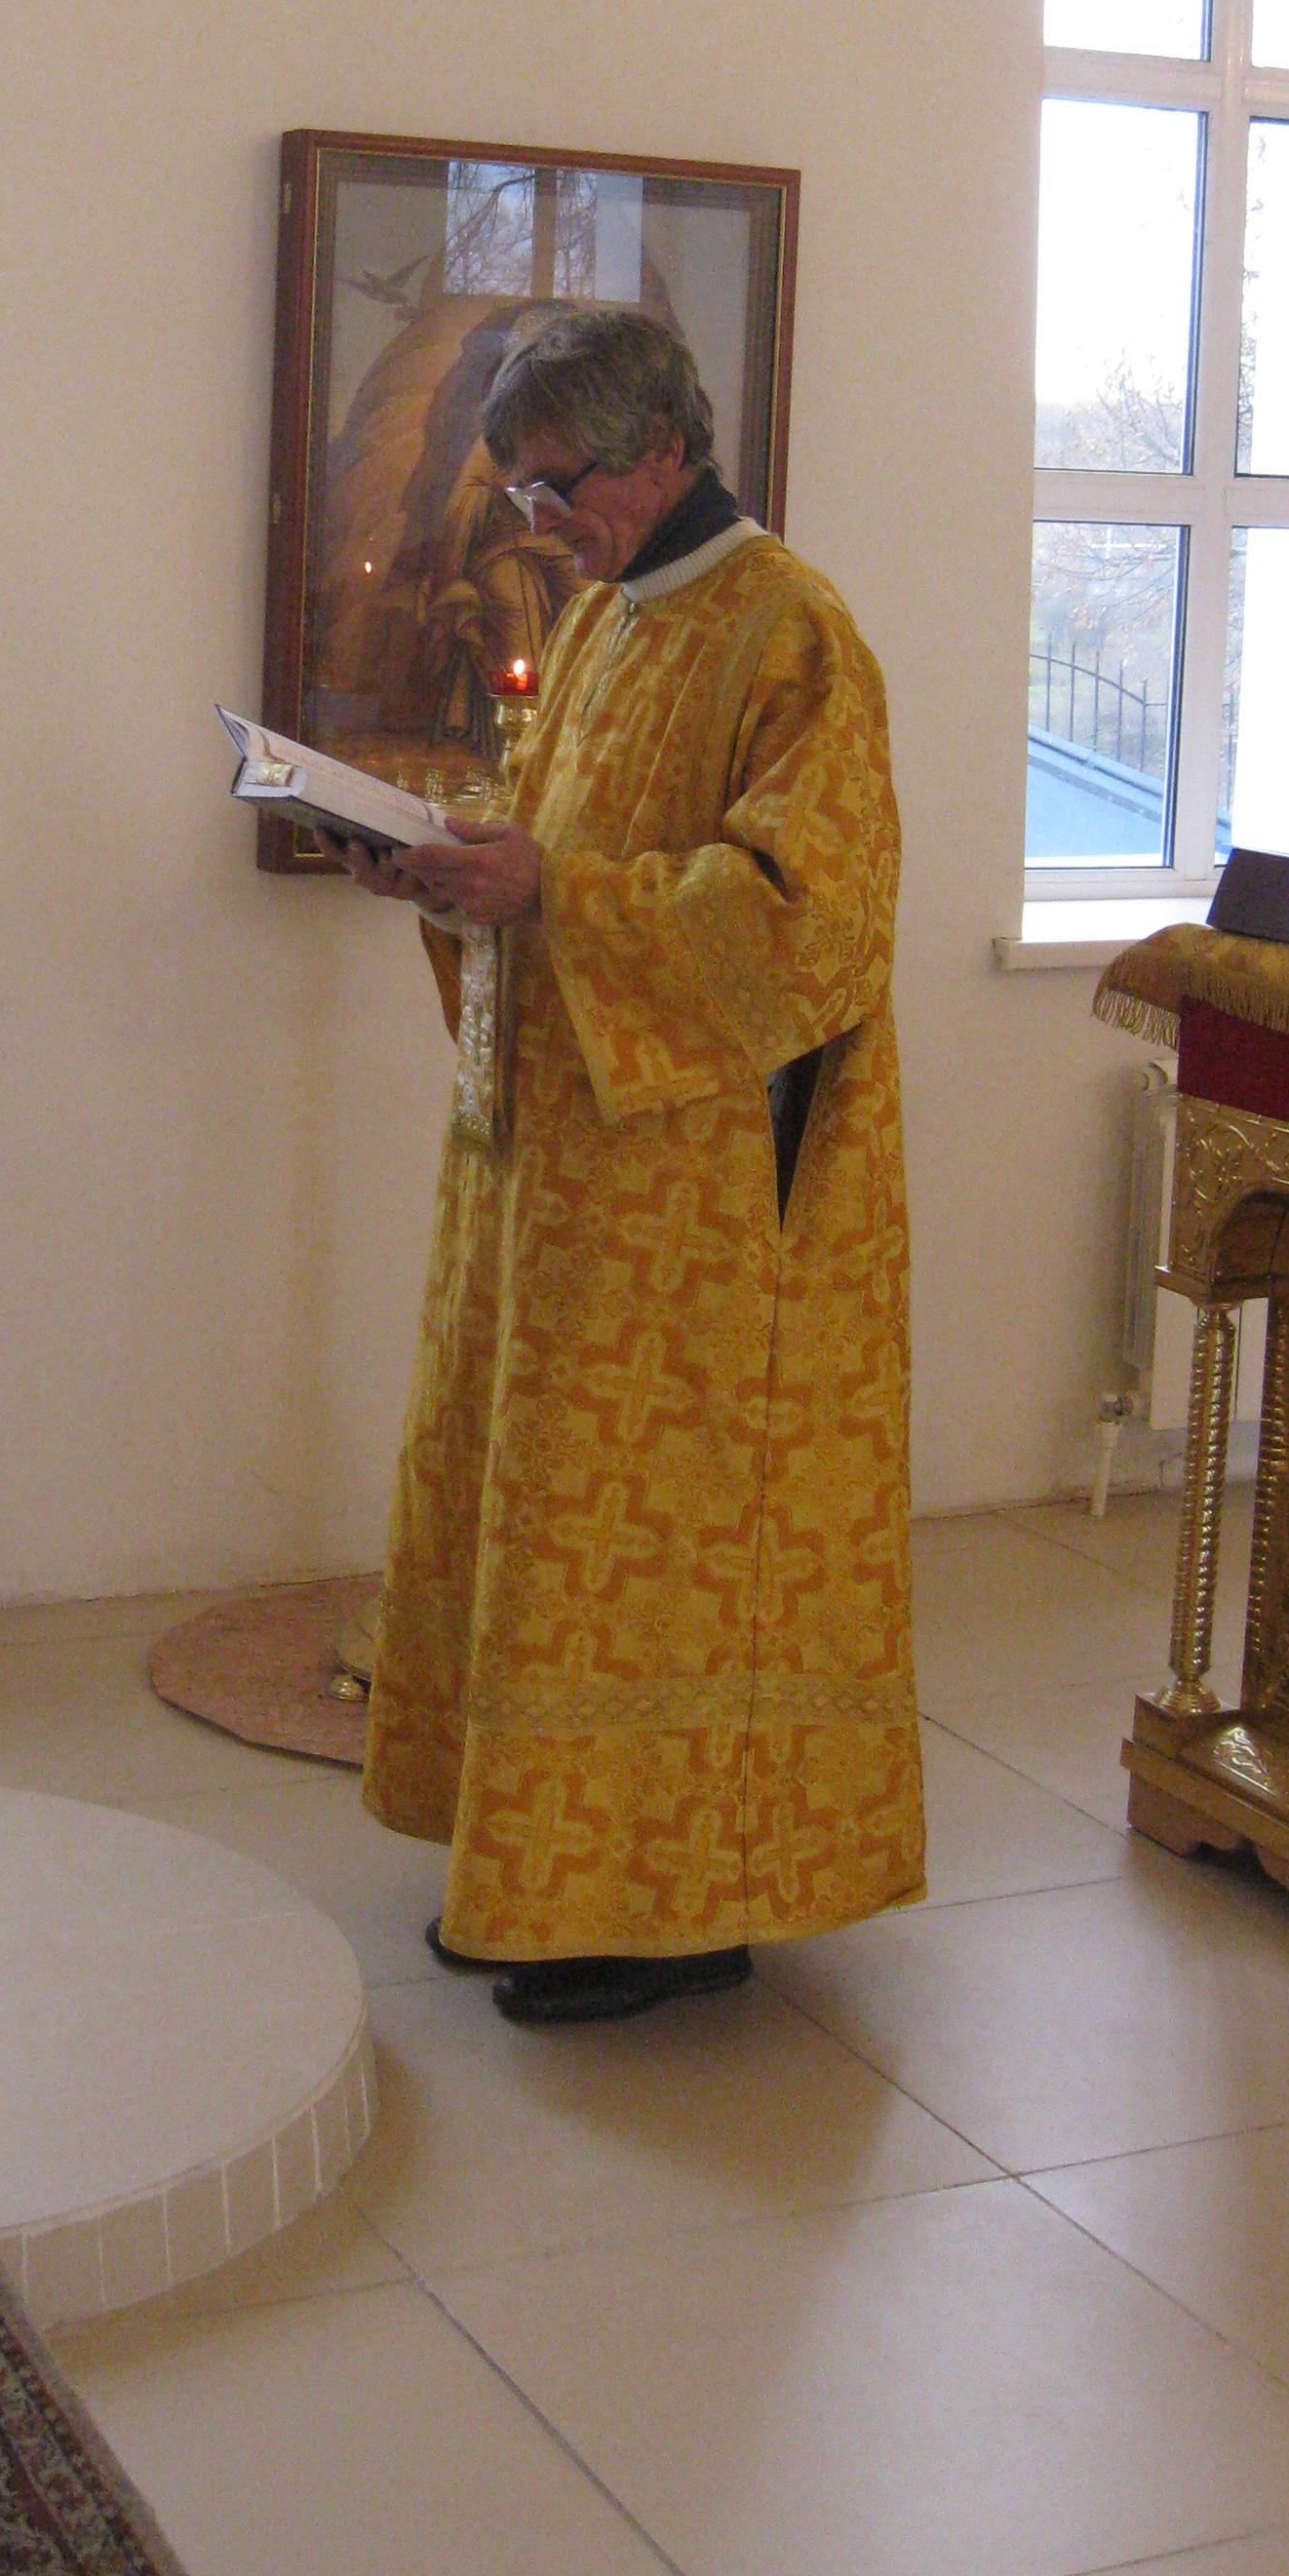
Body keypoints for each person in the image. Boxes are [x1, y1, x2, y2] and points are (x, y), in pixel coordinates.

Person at [346, 303, 924, 2026]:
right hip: (571, 1163)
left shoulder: (794, 630)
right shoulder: (607, 615)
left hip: (705, 1203)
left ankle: (676, 1912)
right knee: (547, 1526)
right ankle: (549, 1874)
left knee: (671, 1560)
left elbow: (815, 922)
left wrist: (557, 896)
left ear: (664, 448)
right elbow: (559, 847)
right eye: (521, 491)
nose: (540, 525)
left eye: (561, 485)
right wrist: (451, 870)